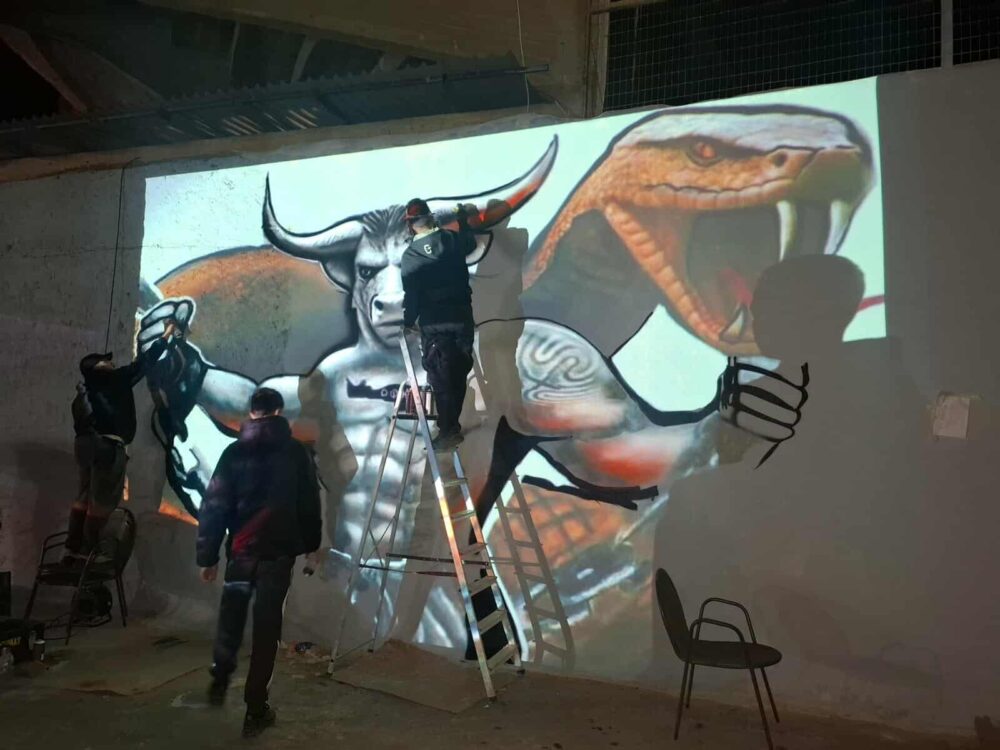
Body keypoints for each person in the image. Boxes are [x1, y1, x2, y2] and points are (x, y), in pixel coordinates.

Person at [197, 387, 322, 739]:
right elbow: (309, 504)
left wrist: (208, 557)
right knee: (267, 631)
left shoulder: (233, 453)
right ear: (279, 411)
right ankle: (255, 709)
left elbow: (214, 506)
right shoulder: (296, 453)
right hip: (277, 557)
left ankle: (220, 680)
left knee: (231, 616)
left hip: (240, 553)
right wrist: (312, 546)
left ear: (251, 413)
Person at [66, 330, 171, 564]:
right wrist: (166, 336)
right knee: (103, 499)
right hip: (107, 445)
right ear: (98, 367)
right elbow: (143, 364)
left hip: (83, 445)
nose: (112, 363)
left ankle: (73, 547)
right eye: (106, 361)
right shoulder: (115, 380)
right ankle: (90, 550)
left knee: (83, 496)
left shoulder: (83, 391)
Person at [400, 197, 478, 450]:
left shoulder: (411, 255)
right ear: (430, 218)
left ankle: (448, 430)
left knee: (440, 377)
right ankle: (450, 428)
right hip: (461, 319)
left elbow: (412, 294)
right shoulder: (451, 239)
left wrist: (407, 321)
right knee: (458, 372)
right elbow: (470, 243)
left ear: (411, 225)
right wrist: (463, 219)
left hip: (435, 323)